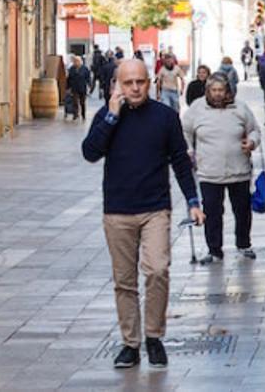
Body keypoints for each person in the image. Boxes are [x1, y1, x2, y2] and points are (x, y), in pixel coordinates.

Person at [81, 60, 204, 370]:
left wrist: (193, 200)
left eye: (140, 82)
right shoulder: (108, 116)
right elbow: (90, 153)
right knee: (124, 281)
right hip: (118, 211)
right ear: (117, 86)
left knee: (158, 269)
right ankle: (130, 344)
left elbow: (179, 159)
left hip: (155, 209)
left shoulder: (164, 117)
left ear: (151, 83)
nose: (135, 88)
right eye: (128, 83)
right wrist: (111, 115)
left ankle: (154, 336)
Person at [182, 73, 261, 264]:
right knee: (212, 211)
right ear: (208, 91)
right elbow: (184, 131)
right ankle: (214, 249)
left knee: (242, 210)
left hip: (239, 170)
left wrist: (252, 142)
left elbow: (254, 129)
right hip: (209, 171)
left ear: (228, 91)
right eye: (214, 90)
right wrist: (189, 150)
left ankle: (243, 244)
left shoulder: (239, 107)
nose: (217, 94)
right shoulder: (197, 109)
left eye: (221, 90)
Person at [66, 55, 91, 120]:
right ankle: (75, 114)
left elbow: (88, 78)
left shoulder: (85, 69)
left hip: (82, 88)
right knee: (75, 101)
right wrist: (68, 87)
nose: (76, 62)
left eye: (77, 61)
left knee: (82, 102)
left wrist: (89, 85)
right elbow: (69, 78)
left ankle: (83, 114)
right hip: (74, 88)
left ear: (80, 62)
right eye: (75, 61)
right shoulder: (72, 68)